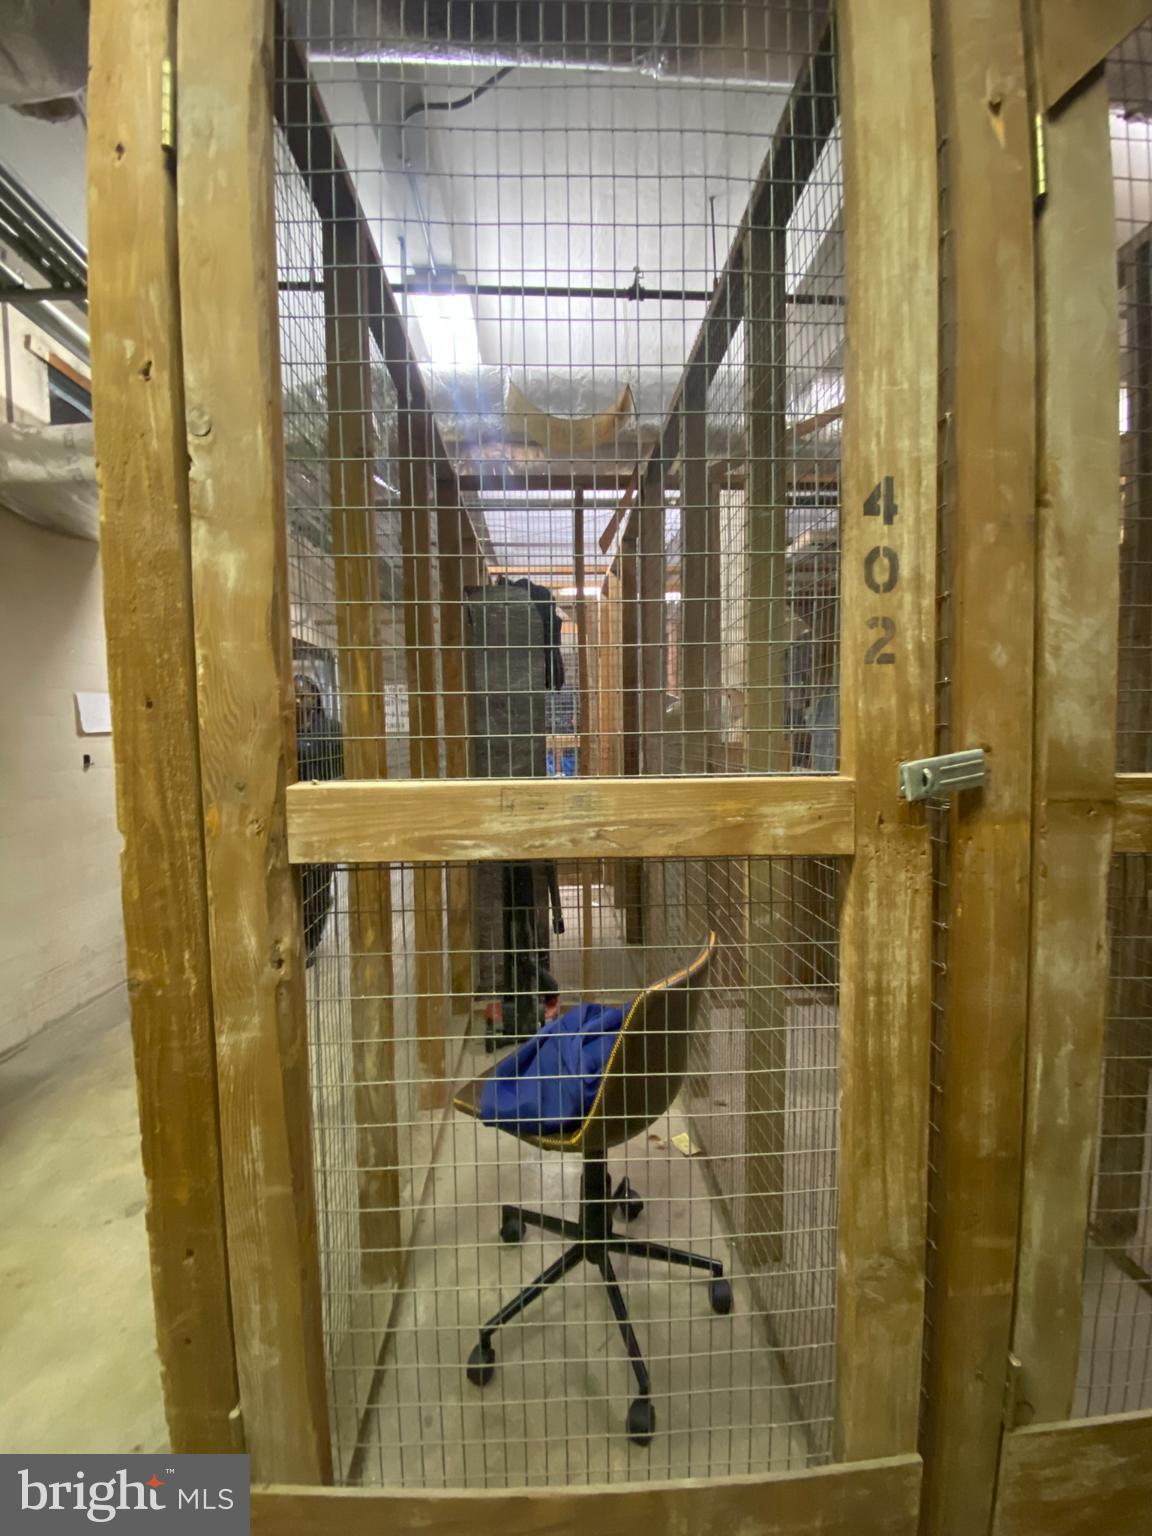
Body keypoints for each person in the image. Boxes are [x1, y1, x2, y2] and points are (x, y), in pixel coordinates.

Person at [294, 676, 344, 966]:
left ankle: (311, 940)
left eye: (305, 695)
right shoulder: (278, 731)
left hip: (321, 822)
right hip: (287, 822)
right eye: (294, 695)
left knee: (317, 886)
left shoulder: (331, 731)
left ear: (316, 698)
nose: (299, 700)